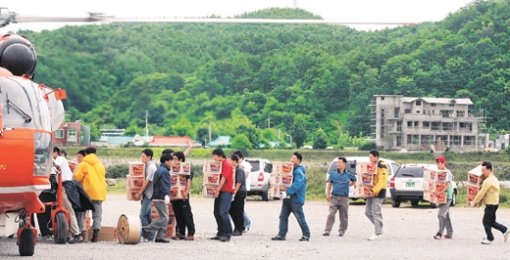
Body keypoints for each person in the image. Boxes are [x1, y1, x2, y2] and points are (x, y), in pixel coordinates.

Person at [272, 152, 311, 241]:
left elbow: (298, 184)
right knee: (283, 216)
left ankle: (306, 235)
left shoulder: (298, 171)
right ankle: (281, 235)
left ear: (299, 160)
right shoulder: (290, 170)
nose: (291, 160)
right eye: (291, 158)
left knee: (299, 217)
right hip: (287, 198)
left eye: (294, 158)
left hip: (296, 199)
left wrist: (287, 192)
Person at [470, 161, 509, 245]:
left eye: (484, 170)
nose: (482, 172)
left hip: (491, 205)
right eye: (482, 170)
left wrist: (474, 202)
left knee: (485, 222)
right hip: (494, 204)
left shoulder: (488, 181)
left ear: (489, 169)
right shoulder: (493, 178)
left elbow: (481, 193)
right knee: (491, 222)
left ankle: (490, 238)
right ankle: (504, 230)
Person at [73, 147, 107, 242]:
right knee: (97, 215)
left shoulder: (83, 164)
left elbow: (77, 177)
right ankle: (95, 235)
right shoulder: (100, 165)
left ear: (86, 154)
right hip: (99, 193)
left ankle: (81, 234)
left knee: (81, 214)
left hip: (86, 193)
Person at [53, 147, 82, 243]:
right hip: (65, 186)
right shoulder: (62, 159)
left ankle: (76, 234)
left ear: (55, 152)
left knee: (68, 210)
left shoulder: (60, 158)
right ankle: (70, 234)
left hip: (65, 186)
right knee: (67, 210)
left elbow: (55, 166)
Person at [323, 157, 356, 237]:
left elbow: (354, 180)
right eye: (337, 163)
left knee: (344, 216)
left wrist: (350, 184)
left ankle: (342, 231)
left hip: (344, 198)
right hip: (334, 197)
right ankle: (327, 230)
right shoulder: (333, 173)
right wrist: (327, 194)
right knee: (331, 214)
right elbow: (329, 184)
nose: (338, 164)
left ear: (344, 164)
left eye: (340, 162)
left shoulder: (349, 174)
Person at [143, 154, 172, 243]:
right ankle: (146, 229)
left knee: (163, 216)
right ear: (166, 161)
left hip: (156, 196)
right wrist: (166, 195)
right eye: (171, 161)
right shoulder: (164, 171)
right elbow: (164, 184)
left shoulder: (159, 170)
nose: (172, 163)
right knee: (164, 218)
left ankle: (160, 237)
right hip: (160, 197)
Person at [210, 148, 234, 242]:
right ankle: (220, 233)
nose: (214, 159)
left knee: (223, 213)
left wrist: (217, 190)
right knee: (216, 212)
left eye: (214, 157)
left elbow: (223, 179)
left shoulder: (227, 164)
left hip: (226, 191)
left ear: (220, 156)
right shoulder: (220, 165)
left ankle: (227, 233)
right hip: (220, 191)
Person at [171, 151, 196, 241]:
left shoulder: (186, 169)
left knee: (186, 214)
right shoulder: (172, 169)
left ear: (180, 160)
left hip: (183, 194)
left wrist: (186, 192)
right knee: (178, 214)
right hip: (174, 195)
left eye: (175, 159)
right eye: (172, 159)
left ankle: (191, 233)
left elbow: (189, 181)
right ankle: (181, 233)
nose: (173, 161)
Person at [365, 149, 388, 241]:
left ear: (376, 157)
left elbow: (382, 181)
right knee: (367, 212)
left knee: (376, 212)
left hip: (379, 192)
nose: (369, 158)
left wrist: (374, 190)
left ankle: (377, 233)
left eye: (370, 156)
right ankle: (380, 227)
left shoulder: (382, 166)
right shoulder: (371, 166)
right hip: (371, 191)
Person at [136, 149, 157, 241]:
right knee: (148, 217)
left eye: (143, 156)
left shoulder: (151, 167)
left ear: (149, 157)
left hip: (149, 195)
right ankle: (150, 236)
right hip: (147, 194)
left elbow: (147, 182)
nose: (142, 158)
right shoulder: (146, 165)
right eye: (141, 156)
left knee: (142, 215)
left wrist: (140, 192)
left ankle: (146, 235)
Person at [433, 156, 454, 240]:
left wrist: (440, 192)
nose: (438, 165)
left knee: (441, 215)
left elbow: (447, 185)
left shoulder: (447, 172)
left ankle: (439, 233)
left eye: (439, 163)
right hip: (440, 196)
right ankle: (449, 233)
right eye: (437, 163)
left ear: (443, 163)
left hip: (447, 196)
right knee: (446, 215)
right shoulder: (437, 172)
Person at [233, 150, 252, 231]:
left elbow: (244, 176)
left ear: (241, 158)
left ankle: (247, 224)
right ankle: (242, 225)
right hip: (238, 189)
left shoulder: (246, 165)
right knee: (238, 208)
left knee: (240, 209)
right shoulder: (236, 166)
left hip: (243, 189)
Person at [229, 154, 247, 236]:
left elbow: (239, 183)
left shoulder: (239, 170)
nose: (230, 162)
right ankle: (238, 227)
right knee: (232, 210)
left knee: (238, 211)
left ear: (234, 161)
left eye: (231, 161)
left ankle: (239, 229)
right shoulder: (234, 169)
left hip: (240, 192)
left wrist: (234, 193)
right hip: (237, 192)